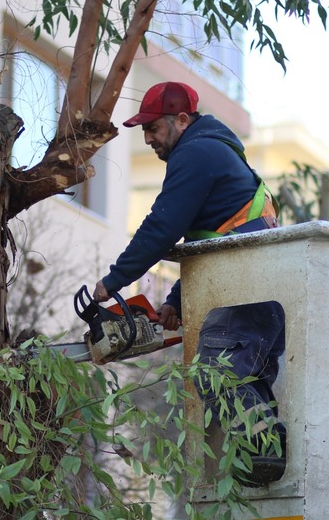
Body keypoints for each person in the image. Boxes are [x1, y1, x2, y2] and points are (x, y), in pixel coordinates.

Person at [92, 81, 286, 486]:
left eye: (154, 129)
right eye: (144, 130)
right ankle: (262, 468)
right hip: (251, 287)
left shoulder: (196, 153)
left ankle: (266, 455)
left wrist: (114, 281)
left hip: (243, 290)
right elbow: (206, 241)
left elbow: (162, 226)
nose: (147, 138)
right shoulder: (212, 151)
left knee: (217, 370)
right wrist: (177, 301)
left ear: (182, 120)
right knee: (240, 379)